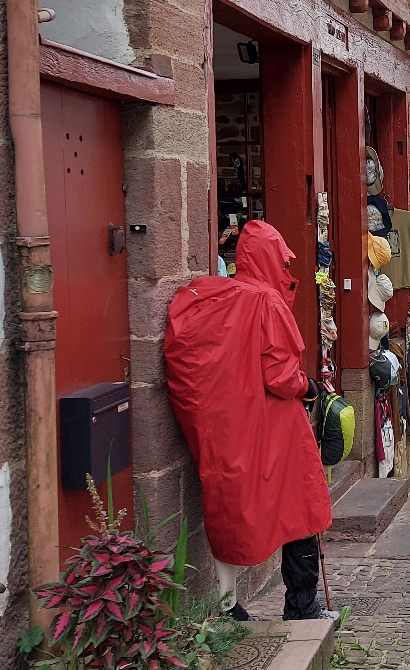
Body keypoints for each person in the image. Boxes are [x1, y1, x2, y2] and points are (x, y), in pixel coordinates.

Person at [164, 220, 334, 622]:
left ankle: (227, 606)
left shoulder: (212, 296)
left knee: (228, 510)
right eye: (283, 260)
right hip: (273, 427)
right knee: (301, 508)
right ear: (270, 257)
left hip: (229, 426)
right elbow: (279, 375)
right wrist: (309, 387)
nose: (288, 271)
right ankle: (302, 606)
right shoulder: (266, 302)